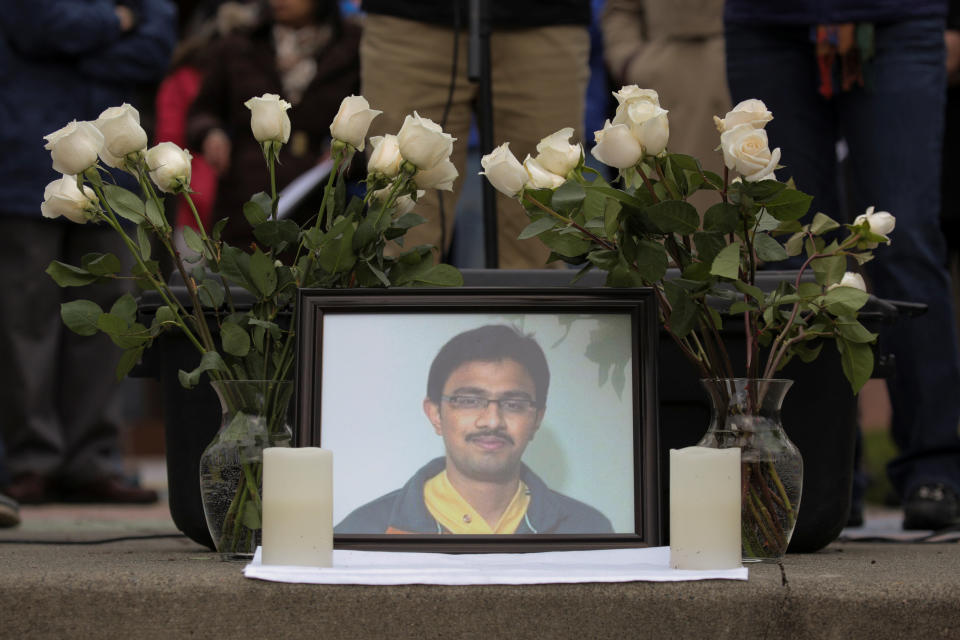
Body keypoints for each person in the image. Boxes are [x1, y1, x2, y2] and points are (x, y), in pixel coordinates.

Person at [723, 1, 960, 529]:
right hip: (768, 25)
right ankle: (815, 475)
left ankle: (936, 462)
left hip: (896, 16)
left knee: (904, 236)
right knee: (786, 250)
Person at [0, 0, 176, 504]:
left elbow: (154, 48)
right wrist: (117, 21)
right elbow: (35, 25)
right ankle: (31, 460)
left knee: (109, 318)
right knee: (24, 320)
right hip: (22, 163)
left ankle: (93, 459)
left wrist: (69, 48)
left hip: (115, 172)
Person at [359, 1, 592, 268]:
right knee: (402, 223)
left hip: (544, 21)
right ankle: (399, 311)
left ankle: (524, 312)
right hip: (410, 22)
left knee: (539, 221)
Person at [336, 325, 613, 534]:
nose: (492, 421)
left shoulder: (588, 530)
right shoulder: (363, 531)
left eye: (514, 403)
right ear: (435, 414)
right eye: (469, 401)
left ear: (537, 418)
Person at [187, 0, 360, 246]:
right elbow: (202, 111)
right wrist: (211, 133)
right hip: (246, 198)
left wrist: (350, 154)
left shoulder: (353, 46)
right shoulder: (239, 44)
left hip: (320, 205)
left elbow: (373, 122)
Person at [600, 0, 730, 210]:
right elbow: (621, 10)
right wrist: (629, 61)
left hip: (742, 65)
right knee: (667, 210)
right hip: (662, 79)